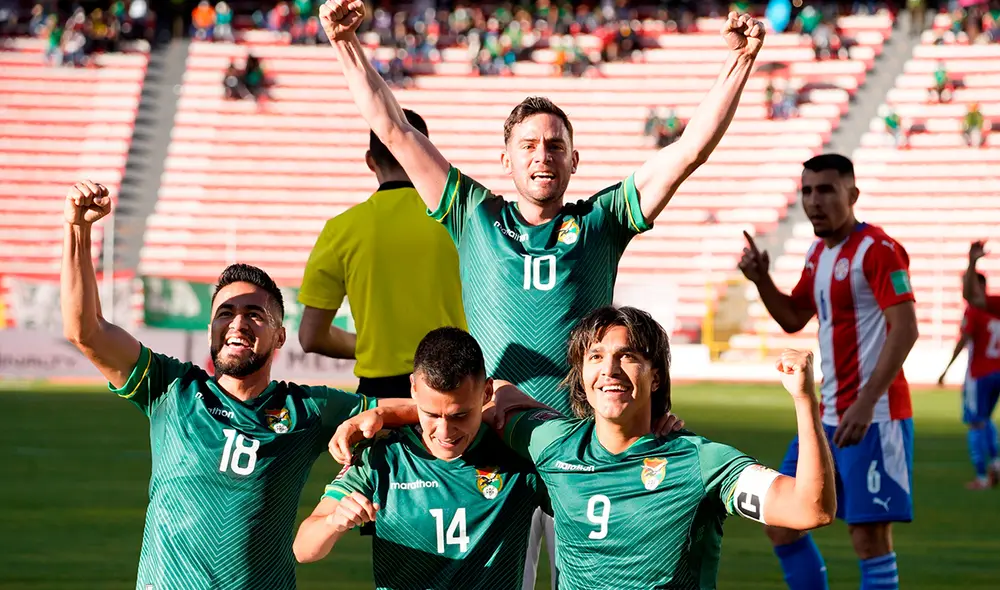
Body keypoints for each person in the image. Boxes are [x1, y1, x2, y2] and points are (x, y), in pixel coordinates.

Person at [320, 1, 766, 585]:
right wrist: (345, 43)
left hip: (582, 453)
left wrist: (740, 60)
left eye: (555, 146)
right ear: (504, 159)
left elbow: (688, 152)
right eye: (528, 145)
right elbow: (395, 130)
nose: (542, 155)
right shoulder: (472, 214)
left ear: (575, 160)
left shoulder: (604, 220)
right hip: (493, 455)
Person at [59, 181, 412, 590]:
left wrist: (378, 413)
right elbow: (86, 331)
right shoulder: (171, 389)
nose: (238, 324)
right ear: (211, 327)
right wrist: (78, 230)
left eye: (255, 315)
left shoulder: (309, 409)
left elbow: (427, 409)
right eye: (225, 313)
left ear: (280, 336)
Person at [492, 306, 837, 589]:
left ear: (655, 377)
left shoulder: (699, 462)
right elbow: (489, 393)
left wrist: (805, 399)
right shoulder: (554, 443)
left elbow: (810, 510)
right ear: (581, 374)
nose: (609, 370)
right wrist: (560, 421)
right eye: (595, 356)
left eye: (626, 356)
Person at [738, 154, 919, 590]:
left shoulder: (878, 250)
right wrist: (762, 280)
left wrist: (867, 401)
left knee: (869, 540)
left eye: (826, 190)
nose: (814, 201)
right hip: (827, 419)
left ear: (852, 194)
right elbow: (793, 317)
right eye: (807, 191)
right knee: (782, 522)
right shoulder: (818, 253)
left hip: (875, 417)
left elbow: (906, 328)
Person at [293, 327, 548, 589]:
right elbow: (303, 549)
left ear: (486, 392)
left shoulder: (518, 452)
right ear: (413, 388)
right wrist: (334, 522)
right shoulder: (382, 455)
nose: (445, 432)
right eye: (431, 415)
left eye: (460, 415)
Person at [297, 109, 466, 399]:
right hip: (454, 385)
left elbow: (311, 337)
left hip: (380, 393)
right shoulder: (460, 221)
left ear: (370, 160)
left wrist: (375, 346)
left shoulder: (341, 230)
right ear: (425, 153)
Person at [950, 241, 1000, 488]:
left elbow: (964, 337)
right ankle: (996, 463)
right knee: (986, 419)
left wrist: (972, 261)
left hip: (980, 373)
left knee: (977, 421)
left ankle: (982, 475)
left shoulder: (975, 311)